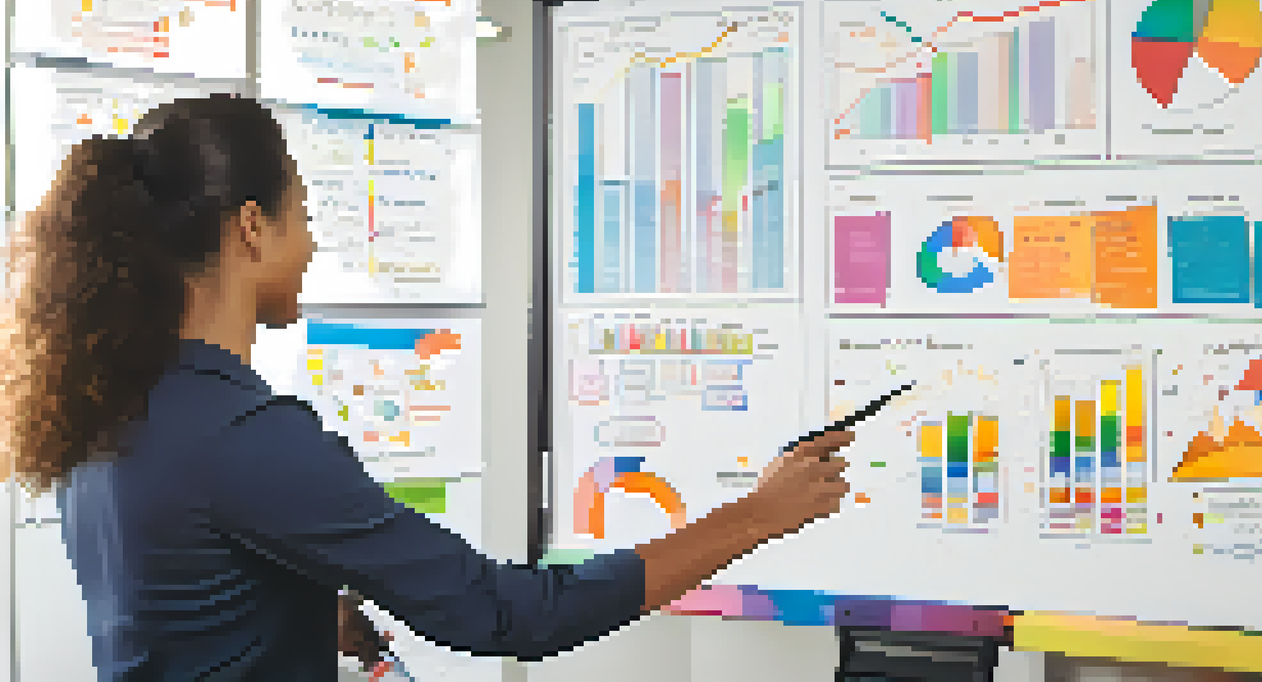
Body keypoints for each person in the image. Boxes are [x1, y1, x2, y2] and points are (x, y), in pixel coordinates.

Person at [0, 94, 855, 680]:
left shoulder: (116, 404)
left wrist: (299, 614)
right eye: (303, 215)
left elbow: (170, 610)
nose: (313, 246)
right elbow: (509, 614)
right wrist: (758, 514)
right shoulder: (243, 435)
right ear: (252, 227)